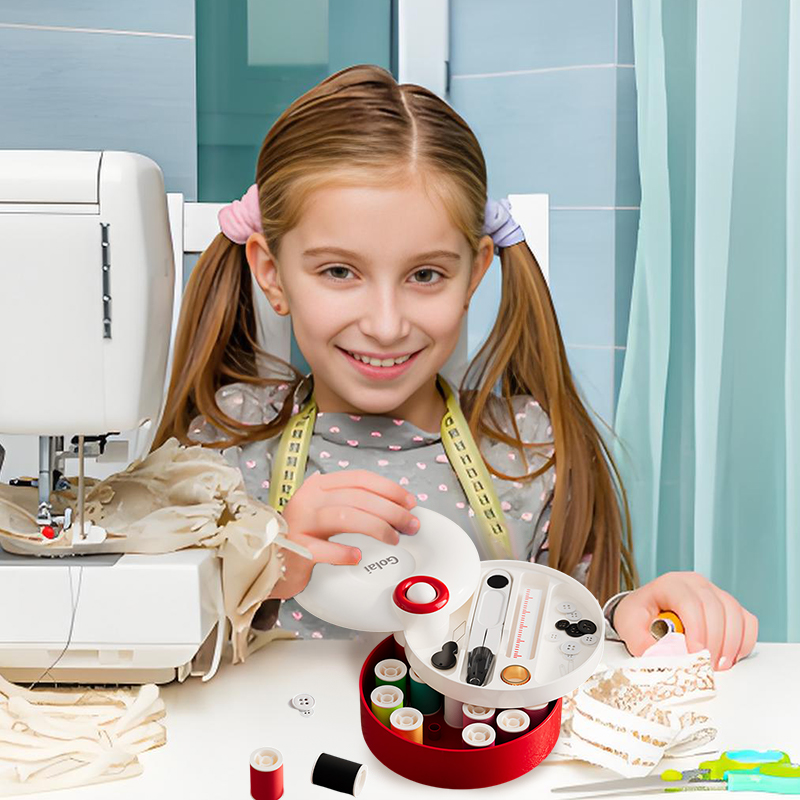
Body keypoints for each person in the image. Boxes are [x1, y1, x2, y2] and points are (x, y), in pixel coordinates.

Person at [153, 64, 757, 670]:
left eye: (425, 274)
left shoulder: (528, 449)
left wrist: (631, 618)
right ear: (271, 273)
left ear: (475, 273)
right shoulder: (222, 449)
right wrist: (263, 567)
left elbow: (571, 642)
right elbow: (152, 658)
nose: (386, 324)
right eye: (339, 271)